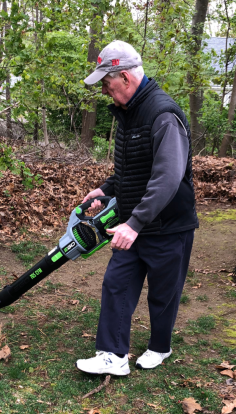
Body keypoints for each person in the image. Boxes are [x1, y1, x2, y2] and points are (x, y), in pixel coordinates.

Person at [75, 41, 198, 376]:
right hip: (135, 222)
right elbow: (134, 167)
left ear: (126, 78)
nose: (104, 90)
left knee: (163, 293)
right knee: (117, 282)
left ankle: (160, 347)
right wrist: (106, 188)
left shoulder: (162, 114)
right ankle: (113, 355)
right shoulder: (130, 113)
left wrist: (136, 222)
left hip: (168, 225)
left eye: (106, 83)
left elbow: (168, 176)